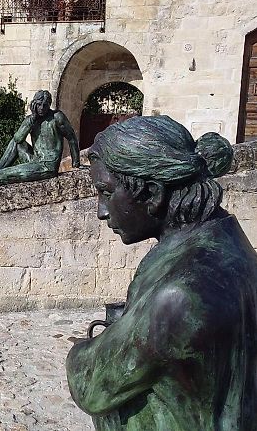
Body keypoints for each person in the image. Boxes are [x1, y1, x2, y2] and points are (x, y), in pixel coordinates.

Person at [66, 116, 257, 430]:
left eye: (105, 192)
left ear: (152, 193)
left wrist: (79, 350)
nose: (101, 212)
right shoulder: (230, 243)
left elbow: (91, 385)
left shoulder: (178, 295)